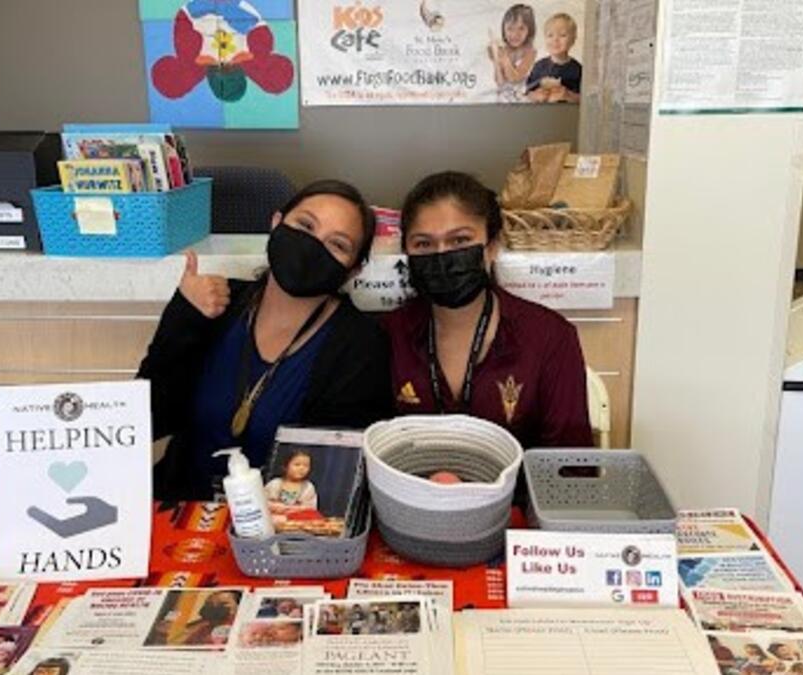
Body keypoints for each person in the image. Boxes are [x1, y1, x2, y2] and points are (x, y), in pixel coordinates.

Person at [139, 180, 394, 501]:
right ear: (276, 224)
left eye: (337, 245)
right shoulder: (218, 304)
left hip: (278, 530)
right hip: (182, 508)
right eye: (304, 225)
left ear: (353, 270)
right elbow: (150, 419)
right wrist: (183, 318)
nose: (312, 246)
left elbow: (334, 474)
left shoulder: (360, 345)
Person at [384, 171, 594, 448]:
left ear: (492, 246)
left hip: (518, 490)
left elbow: (570, 466)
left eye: (460, 241)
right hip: (408, 489)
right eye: (423, 244)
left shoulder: (550, 337)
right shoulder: (387, 334)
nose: (442, 255)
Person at [526, 12, 582, 103]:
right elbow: (528, 93)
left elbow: (584, 100)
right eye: (550, 35)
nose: (555, 39)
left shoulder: (577, 69)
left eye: (562, 35)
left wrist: (568, 95)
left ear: (573, 40)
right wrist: (536, 95)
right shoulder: (539, 67)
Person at [488, 4, 537, 100]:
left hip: (521, 100)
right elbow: (500, 81)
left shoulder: (530, 52)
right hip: (502, 99)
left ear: (529, 30)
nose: (515, 34)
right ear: (504, 29)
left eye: (521, 28)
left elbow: (514, 78)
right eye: (510, 29)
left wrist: (504, 59)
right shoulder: (503, 50)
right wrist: (496, 57)